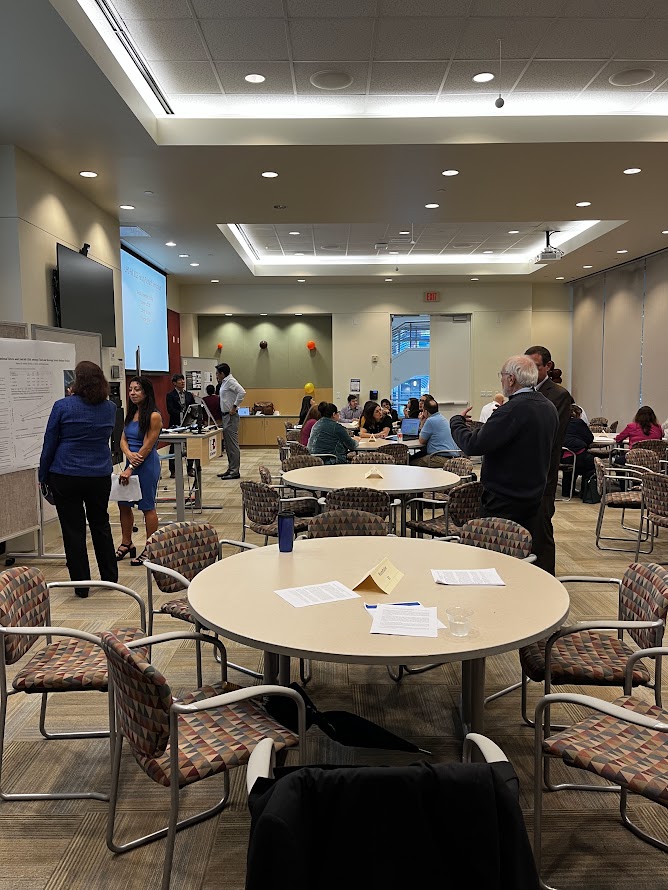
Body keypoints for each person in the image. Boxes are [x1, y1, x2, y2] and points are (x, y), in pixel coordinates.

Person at [450, 355, 558, 541]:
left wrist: (456, 422)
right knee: (522, 550)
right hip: (533, 497)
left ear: (511, 378)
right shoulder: (548, 407)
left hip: (504, 500)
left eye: (501, 375)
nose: (501, 380)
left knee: (496, 555)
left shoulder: (511, 410)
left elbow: (472, 445)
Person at [38, 361, 118, 598]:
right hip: (99, 474)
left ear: (78, 381)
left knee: (73, 530)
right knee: (100, 524)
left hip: (66, 474)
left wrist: (42, 474)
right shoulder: (110, 408)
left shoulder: (62, 406)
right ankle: (110, 578)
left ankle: (81, 585)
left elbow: (49, 443)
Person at [524, 345, 573, 575]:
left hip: (544, 473)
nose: (530, 371)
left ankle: (546, 579)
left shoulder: (559, 395)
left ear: (547, 366)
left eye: (535, 366)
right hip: (523, 474)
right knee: (526, 530)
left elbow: (551, 435)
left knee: (542, 530)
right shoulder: (526, 392)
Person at [116, 376, 163, 566]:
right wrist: (128, 454)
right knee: (123, 504)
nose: (132, 393)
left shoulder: (154, 416)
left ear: (146, 392)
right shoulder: (131, 413)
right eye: (130, 390)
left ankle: (151, 548)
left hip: (146, 464)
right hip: (131, 462)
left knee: (147, 506)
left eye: (137, 390)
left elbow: (148, 445)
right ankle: (126, 542)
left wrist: (132, 466)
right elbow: (123, 439)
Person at [216, 362, 246, 480]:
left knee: (232, 445)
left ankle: (235, 471)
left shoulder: (230, 381)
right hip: (225, 416)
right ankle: (231, 468)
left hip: (230, 416)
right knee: (228, 445)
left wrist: (234, 406)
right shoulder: (224, 382)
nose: (216, 376)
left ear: (223, 373)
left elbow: (242, 392)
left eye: (217, 374)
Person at [410, 400, 459, 467]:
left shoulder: (430, 420)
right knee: (418, 455)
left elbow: (421, 440)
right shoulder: (442, 418)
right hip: (451, 455)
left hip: (438, 457)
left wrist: (422, 421)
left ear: (426, 411)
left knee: (410, 461)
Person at [561, 404, 595, 497]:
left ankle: (566, 491)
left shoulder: (561, 422)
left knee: (570, 468)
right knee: (591, 463)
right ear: (578, 414)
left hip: (561, 456)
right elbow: (589, 438)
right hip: (577, 456)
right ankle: (585, 492)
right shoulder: (579, 423)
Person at [166, 373, 195, 478]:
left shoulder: (188, 395)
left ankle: (190, 468)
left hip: (188, 424)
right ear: (174, 383)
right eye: (180, 380)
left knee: (190, 446)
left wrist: (190, 416)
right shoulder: (170, 395)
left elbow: (193, 406)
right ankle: (173, 470)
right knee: (174, 447)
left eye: (183, 380)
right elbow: (170, 410)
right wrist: (181, 414)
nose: (182, 382)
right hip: (175, 424)